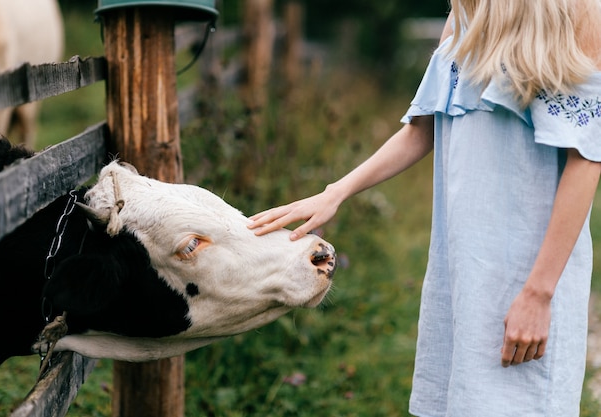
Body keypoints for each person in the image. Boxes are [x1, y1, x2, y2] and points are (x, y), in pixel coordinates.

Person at [248, 0, 601, 415]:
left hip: (534, 274)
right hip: (462, 273)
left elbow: (587, 159)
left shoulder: (576, 13)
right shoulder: (463, 16)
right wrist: (335, 193)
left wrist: (539, 295)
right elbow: (421, 130)